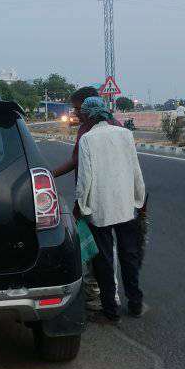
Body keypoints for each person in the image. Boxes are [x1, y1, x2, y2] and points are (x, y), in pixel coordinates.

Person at [75, 96, 146, 322]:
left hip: (100, 208)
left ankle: (111, 310)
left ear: (87, 116)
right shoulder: (125, 134)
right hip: (125, 206)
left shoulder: (88, 139)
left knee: (104, 262)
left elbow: (85, 178)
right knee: (129, 256)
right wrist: (138, 200)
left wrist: (81, 206)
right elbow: (136, 170)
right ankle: (135, 302)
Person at [53, 87, 123, 310]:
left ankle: (106, 298)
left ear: (86, 106)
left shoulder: (89, 131)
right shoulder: (115, 127)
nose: (75, 113)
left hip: (97, 198)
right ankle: (100, 293)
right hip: (114, 197)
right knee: (100, 248)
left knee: (99, 249)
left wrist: (49, 175)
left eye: (76, 108)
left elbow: (79, 165)